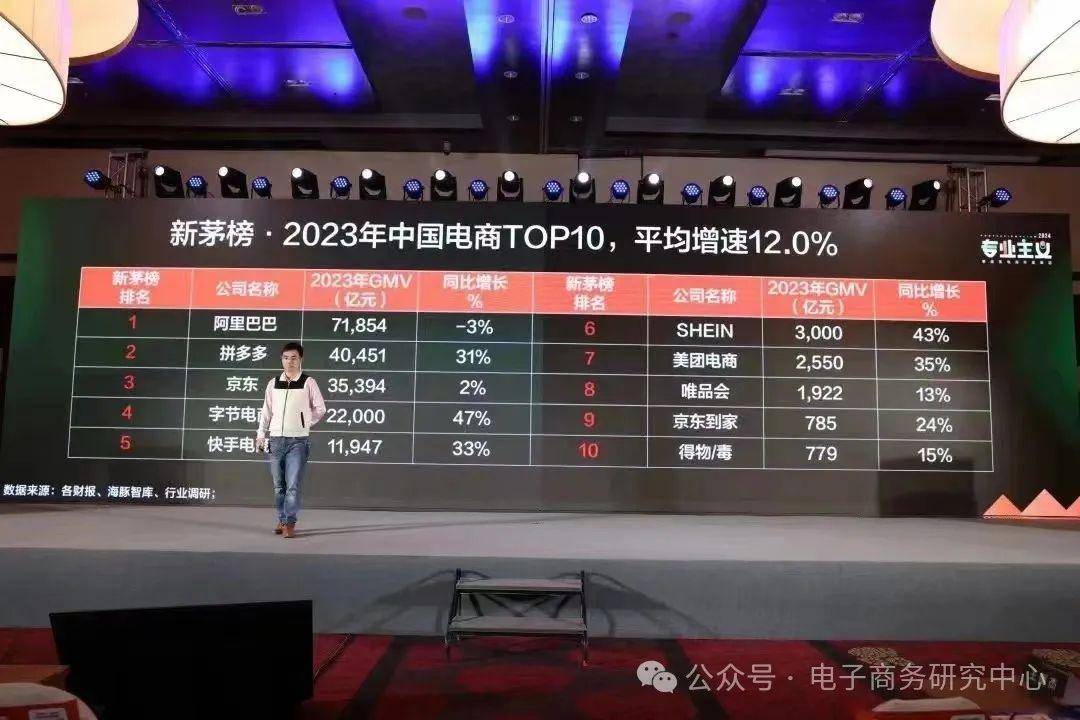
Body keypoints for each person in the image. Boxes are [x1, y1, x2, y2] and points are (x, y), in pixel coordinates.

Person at [256, 342, 326, 538]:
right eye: (286, 358)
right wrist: (260, 435)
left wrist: (305, 423)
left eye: (294, 358)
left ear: (300, 359)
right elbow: (266, 411)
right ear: (282, 360)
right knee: (279, 486)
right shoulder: (273, 383)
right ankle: (281, 518)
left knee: (292, 486)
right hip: (275, 440)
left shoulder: (308, 382)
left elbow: (320, 408)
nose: (289, 362)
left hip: (298, 441)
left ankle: (289, 523)